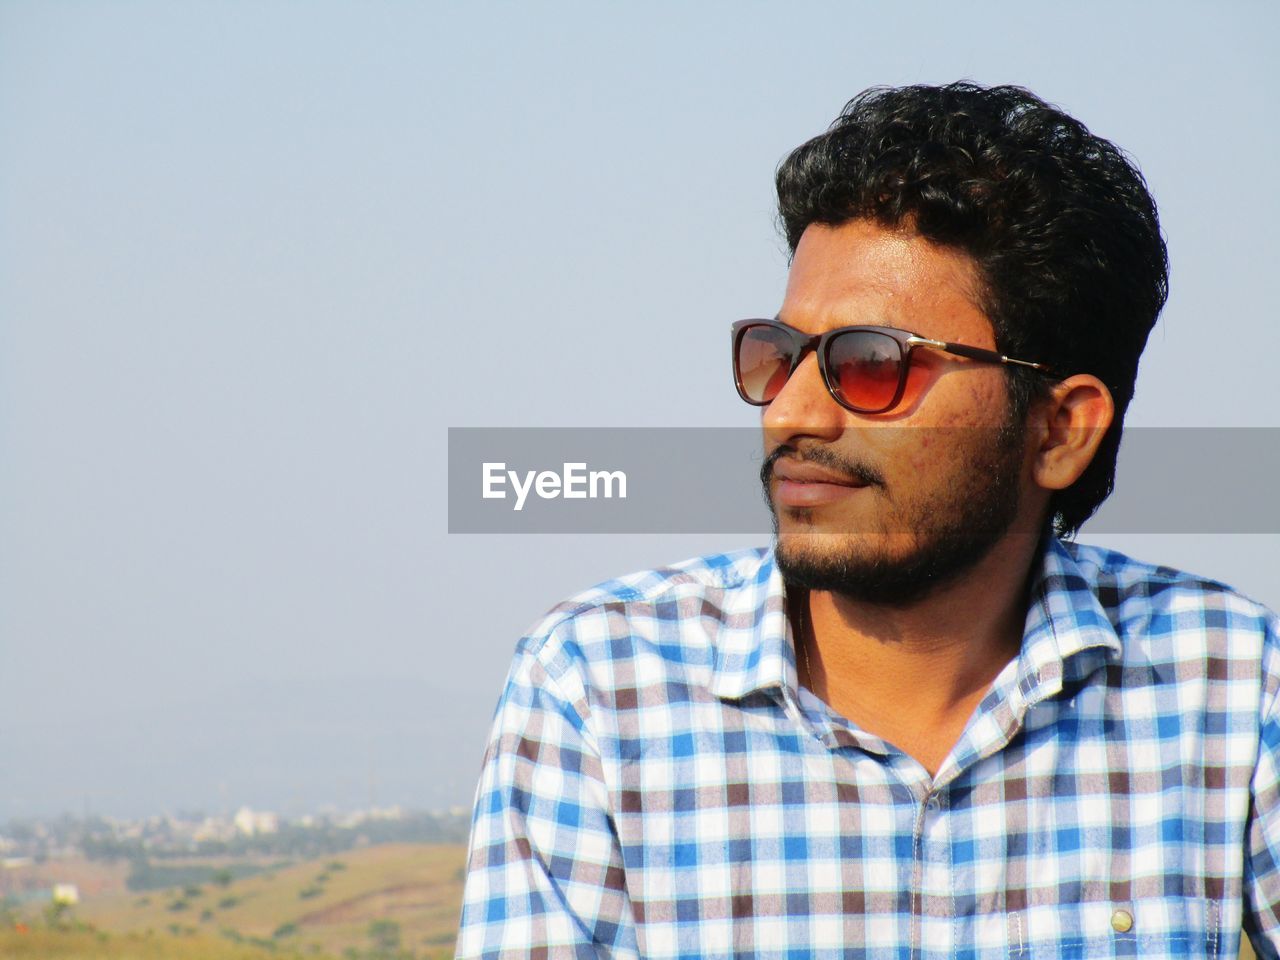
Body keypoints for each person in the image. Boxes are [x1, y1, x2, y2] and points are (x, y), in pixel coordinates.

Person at [455, 82, 1280, 959]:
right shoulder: (603, 689)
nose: (790, 413)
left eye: (872, 364)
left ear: (1059, 429)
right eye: (778, 355)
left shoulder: (1225, 684)